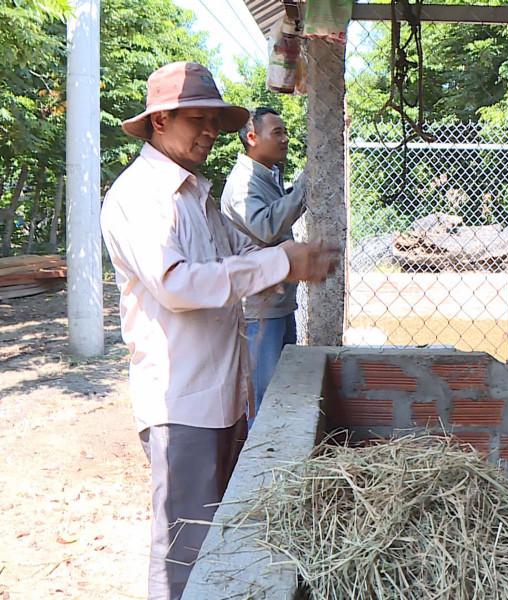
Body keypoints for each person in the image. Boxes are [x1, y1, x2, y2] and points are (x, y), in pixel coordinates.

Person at [100, 62, 336, 600]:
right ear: (159, 121)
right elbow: (179, 286)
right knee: (185, 550)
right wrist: (279, 264)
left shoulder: (193, 194)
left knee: (215, 536)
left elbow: (233, 258)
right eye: (196, 119)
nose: (209, 131)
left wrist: (282, 263)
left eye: (215, 121)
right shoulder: (142, 195)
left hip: (220, 397)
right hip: (181, 404)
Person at [220, 107, 307, 426]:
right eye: (277, 133)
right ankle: (260, 466)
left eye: (285, 132)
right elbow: (266, 226)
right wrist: (305, 188)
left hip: (276, 301)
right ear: (252, 138)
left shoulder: (266, 174)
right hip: (259, 305)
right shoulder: (242, 184)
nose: (285, 139)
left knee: (281, 388)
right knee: (266, 395)